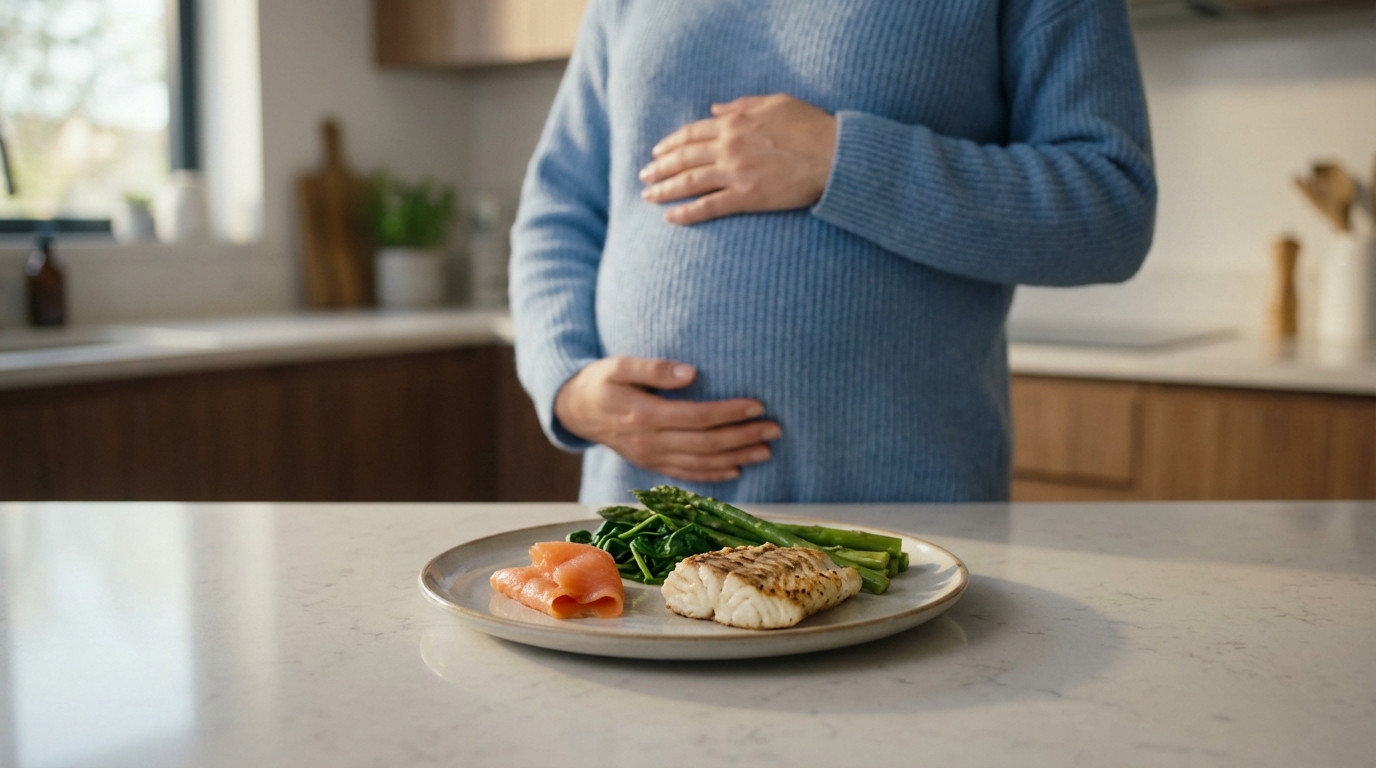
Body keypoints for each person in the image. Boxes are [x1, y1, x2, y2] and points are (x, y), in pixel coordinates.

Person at [509, 1, 1156, 505]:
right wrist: (565, 382)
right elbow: (558, 208)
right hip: (647, 519)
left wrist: (842, 162)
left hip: (900, 536)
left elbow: (1111, 207)